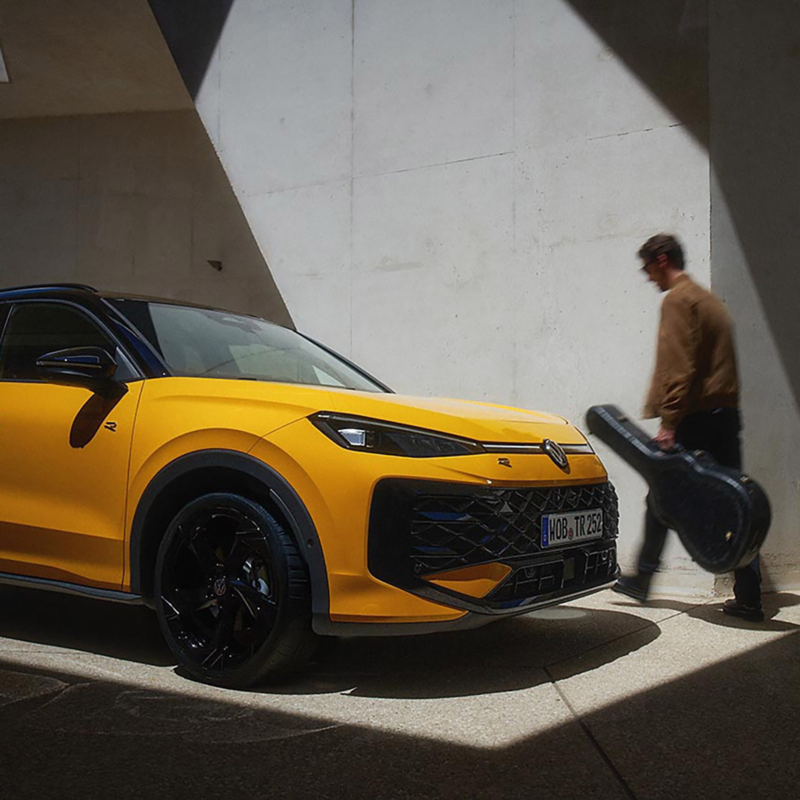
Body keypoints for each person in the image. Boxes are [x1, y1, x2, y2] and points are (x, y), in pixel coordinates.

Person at [613, 233, 763, 621]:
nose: (649, 278)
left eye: (648, 269)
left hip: (694, 417)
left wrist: (669, 422)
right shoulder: (709, 300)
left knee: (662, 496)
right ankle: (748, 596)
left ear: (661, 260)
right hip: (725, 415)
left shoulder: (678, 300)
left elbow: (680, 368)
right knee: (733, 501)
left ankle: (642, 580)